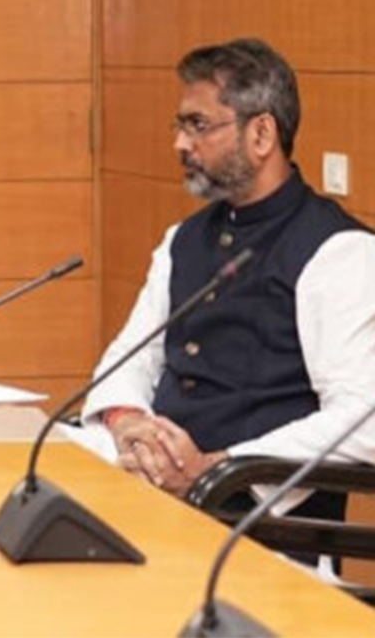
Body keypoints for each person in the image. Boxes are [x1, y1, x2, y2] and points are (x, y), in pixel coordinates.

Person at [82, 38, 375, 501]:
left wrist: (217, 468)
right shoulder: (184, 239)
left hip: (253, 521)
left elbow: (363, 417)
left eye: (198, 125)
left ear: (261, 135)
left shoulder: (338, 251)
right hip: (153, 493)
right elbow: (129, 358)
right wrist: (130, 424)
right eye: (179, 125)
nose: (180, 143)